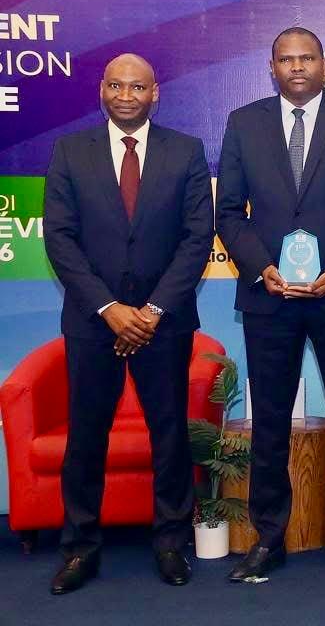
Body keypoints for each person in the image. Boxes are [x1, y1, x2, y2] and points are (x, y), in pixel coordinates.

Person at [216, 27, 325, 580]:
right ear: (272, 68)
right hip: (269, 297)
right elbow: (229, 213)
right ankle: (269, 537)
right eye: (286, 59)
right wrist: (262, 268)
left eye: (306, 58)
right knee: (269, 420)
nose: (296, 67)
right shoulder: (244, 123)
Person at [43, 54, 213, 594]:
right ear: (102, 90)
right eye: (115, 85)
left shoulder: (186, 151)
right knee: (86, 437)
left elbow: (196, 239)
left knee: (169, 435)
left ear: (154, 93)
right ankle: (80, 548)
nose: (125, 95)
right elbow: (59, 239)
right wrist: (109, 308)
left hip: (164, 323)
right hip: (93, 322)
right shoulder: (70, 151)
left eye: (136, 87)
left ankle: (170, 543)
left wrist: (152, 311)